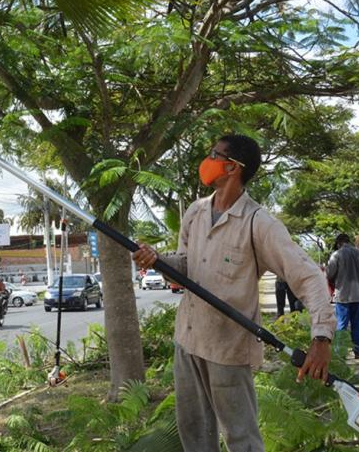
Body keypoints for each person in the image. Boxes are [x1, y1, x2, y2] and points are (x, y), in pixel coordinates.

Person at [132, 134, 335, 452]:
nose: (206, 160)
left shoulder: (259, 223)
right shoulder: (196, 212)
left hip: (228, 349)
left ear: (231, 167)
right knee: (194, 434)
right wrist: (157, 260)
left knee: (241, 438)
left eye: (214, 154)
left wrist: (321, 337)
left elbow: (309, 277)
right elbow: (186, 266)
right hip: (188, 339)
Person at [326, 233, 359, 357]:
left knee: (341, 324)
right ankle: (358, 350)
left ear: (338, 243)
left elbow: (329, 274)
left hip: (343, 295)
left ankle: (340, 352)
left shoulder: (337, 254)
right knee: (358, 324)